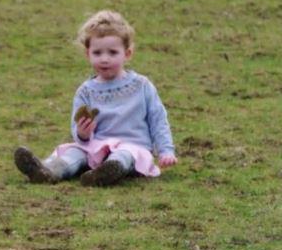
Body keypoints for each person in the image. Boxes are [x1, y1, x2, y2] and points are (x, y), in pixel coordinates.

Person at [14, 10, 177, 186]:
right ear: (88, 54)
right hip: (95, 146)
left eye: (112, 53)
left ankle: (106, 173)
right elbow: (78, 131)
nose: (104, 59)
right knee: (75, 153)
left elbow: (158, 119)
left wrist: (166, 150)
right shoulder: (85, 91)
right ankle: (47, 171)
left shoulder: (142, 86)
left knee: (124, 155)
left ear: (127, 54)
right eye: (97, 53)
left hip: (133, 146)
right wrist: (83, 134)